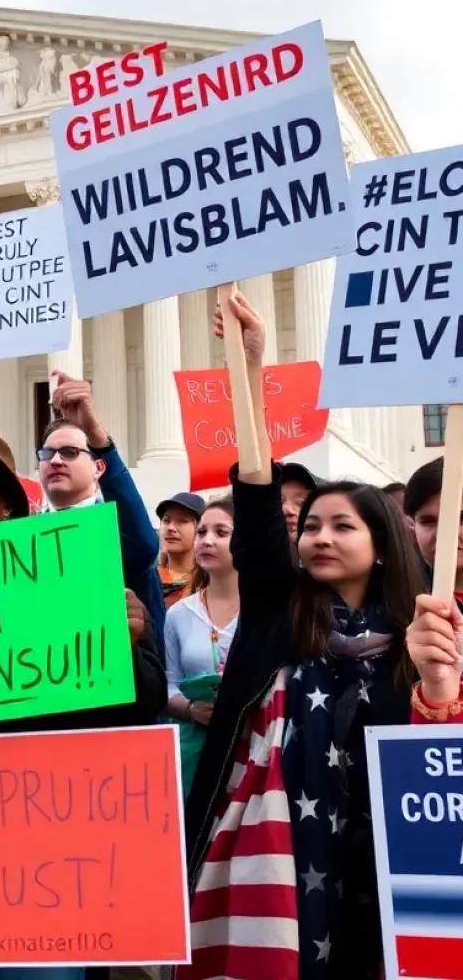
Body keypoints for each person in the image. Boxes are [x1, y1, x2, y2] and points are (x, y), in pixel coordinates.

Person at [181, 290, 423, 980]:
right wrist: (247, 375)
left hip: (379, 862)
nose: (319, 536)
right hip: (281, 858)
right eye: (311, 524)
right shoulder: (277, 612)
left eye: (341, 526)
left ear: (382, 545)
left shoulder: (416, 637)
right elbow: (257, 500)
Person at [0, 425, 167, 980]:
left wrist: (126, 648)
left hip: (47, 855)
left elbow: (144, 706)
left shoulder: (74, 584)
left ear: (9, 508)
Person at [40, 371, 167, 638]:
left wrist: (96, 436)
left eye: (70, 453)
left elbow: (143, 545)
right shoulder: (21, 541)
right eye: (48, 453)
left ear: (99, 468)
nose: (55, 461)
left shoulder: (118, 533)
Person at [164, 497, 238, 795]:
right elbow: (169, 686)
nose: (207, 541)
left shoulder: (267, 614)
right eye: (202, 532)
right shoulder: (179, 614)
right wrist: (193, 709)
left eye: (221, 533)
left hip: (252, 750)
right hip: (195, 755)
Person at [404, 457, 463, 601]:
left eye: (461, 519)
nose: (443, 534)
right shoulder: (395, 603)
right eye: (428, 521)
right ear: (413, 527)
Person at [157, 492, 205, 607]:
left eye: (183, 521)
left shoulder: (209, 583)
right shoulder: (149, 579)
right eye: (166, 520)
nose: (171, 528)